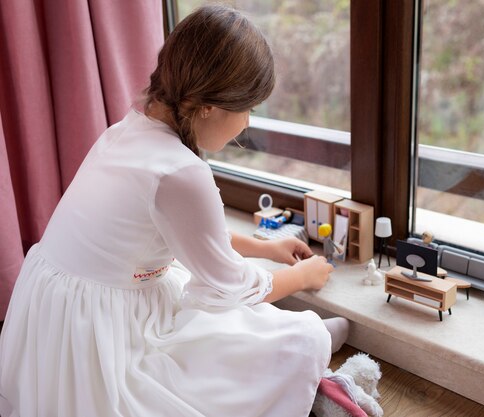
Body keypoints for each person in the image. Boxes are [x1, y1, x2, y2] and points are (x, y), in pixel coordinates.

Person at [0, 5, 348, 417]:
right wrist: (302, 276)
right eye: (248, 108)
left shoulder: (128, 129)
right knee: (231, 322)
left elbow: (180, 233)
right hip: (99, 333)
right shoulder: (181, 171)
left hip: (56, 311)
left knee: (187, 288)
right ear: (209, 107)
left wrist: (265, 248)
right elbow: (228, 285)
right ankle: (298, 345)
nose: (247, 122)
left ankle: (288, 345)